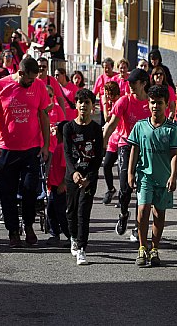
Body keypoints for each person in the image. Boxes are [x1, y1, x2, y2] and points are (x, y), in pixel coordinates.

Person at [0, 57, 50, 248]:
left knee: (31, 190)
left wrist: (46, 145)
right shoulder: (1, 86)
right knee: (7, 193)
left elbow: (44, 116)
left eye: (34, 80)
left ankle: (29, 226)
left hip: (31, 149)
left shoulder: (38, 86)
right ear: (20, 73)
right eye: (28, 80)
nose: (31, 83)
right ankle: (13, 231)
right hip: (7, 149)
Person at [128, 85, 177, 267]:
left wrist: (173, 175)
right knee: (143, 211)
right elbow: (134, 150)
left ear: (166, 105)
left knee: (159, 214)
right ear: (148, 104)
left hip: (164, 177)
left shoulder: (172, 129)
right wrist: (130, 172)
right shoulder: (140, 126)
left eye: (159, 103)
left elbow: (175, 154)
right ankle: (142, 248)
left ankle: (154, 248)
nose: (155, 106)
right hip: (145, 176)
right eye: (152, 103)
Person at [103, 69, 151, 237]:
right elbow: (111, 125)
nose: (129, 85)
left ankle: (138, 226)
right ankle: (123, 214)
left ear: (143, 84)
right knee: (125, 188)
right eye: (129, 82)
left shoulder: (151, 104)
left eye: (134, 83)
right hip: (126, 146)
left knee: (142, 190)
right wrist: (101, 145)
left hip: (146, 150)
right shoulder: (124, 101)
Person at [63, 89, 103, 265]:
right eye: (80, 102)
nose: (83, 106)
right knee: (71, 211)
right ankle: (73, 237)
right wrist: (74, 173)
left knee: (83, 212)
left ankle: (82, 248)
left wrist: (89, 177)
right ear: (76, 104)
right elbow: (67, 153)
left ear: (92, 106)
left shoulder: (96, 129)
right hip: (72, 176)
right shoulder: (68, 128)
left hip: (89, 177)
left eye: (87, 102)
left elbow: (98, 157)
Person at [46, 120, 69, 247]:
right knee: (51, 210)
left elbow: (66, 168)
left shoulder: (63, 147)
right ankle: (54, 233)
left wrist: (63, 183)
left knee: (61, 212)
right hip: (54, 185)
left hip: (60, 186)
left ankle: (70, 235)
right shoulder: (59, 146)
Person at [101, 81, 121, 205]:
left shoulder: (119, 103)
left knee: (120, 168)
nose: (107, 96)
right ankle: (110, 189)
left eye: (109, 94)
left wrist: (104, 103)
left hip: (122, 139)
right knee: (107, 165)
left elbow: (108, 117)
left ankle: (123, 194)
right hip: (112, 140)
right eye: (106, 94)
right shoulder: (111, 103)